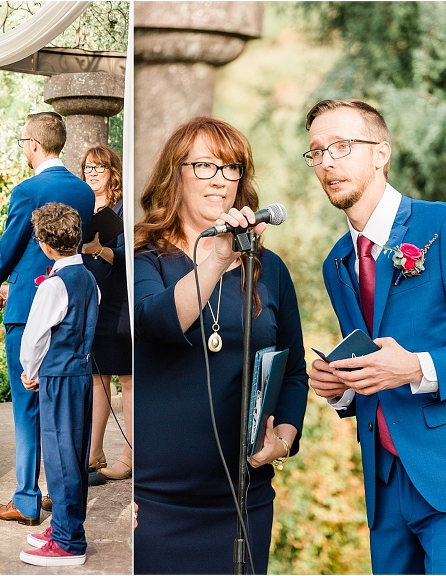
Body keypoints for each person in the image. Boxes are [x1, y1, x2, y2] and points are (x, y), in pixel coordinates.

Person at [304, 99, 446, 574]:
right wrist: (339, 388)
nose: (327, 162)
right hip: (386, 481)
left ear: (381, 153)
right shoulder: (337, 261)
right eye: (316, 152)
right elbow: (369, 363)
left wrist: (418, 367)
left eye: (341, 146)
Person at [133, 116, 309, 574]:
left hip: (243, 500)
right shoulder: (144, 259)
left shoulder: (269, 270)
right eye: (205, 166)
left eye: (231, 169)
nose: (221, 180)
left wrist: (284, 439)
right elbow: (158, 321)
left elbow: (293, 371)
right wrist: (216, 259)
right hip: (157, 503)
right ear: (177, 174)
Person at [0, 111, 95, 526]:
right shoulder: (84, 192)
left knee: (27, 405)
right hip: (74, 302)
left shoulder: (27, 190)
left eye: (23, 142)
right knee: (58, 404)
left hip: (29, 305)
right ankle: (57, 491)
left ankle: (27, 498)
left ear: (33, 144)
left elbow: (9, 248)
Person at [18, 202, 100, 567]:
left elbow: (35, 337)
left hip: (57, 378)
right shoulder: (89, 280)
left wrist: (30, 371)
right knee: (75, 456)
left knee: (60, 458)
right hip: (82, 377)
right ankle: (67, 526)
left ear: (44, 245)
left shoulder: (53, 285)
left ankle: (69, 542)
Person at [78, 145, 132, 484]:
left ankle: (130, 454)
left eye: (100, 167)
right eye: (87, 167)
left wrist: (102, 250)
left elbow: (133, 255)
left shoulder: (124, 207)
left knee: (127, 379)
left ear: (113, 171)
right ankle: (95, 451)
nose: (93, 173)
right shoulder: (83, 207)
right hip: (91, 301)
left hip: (120, 300)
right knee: (96, 377)